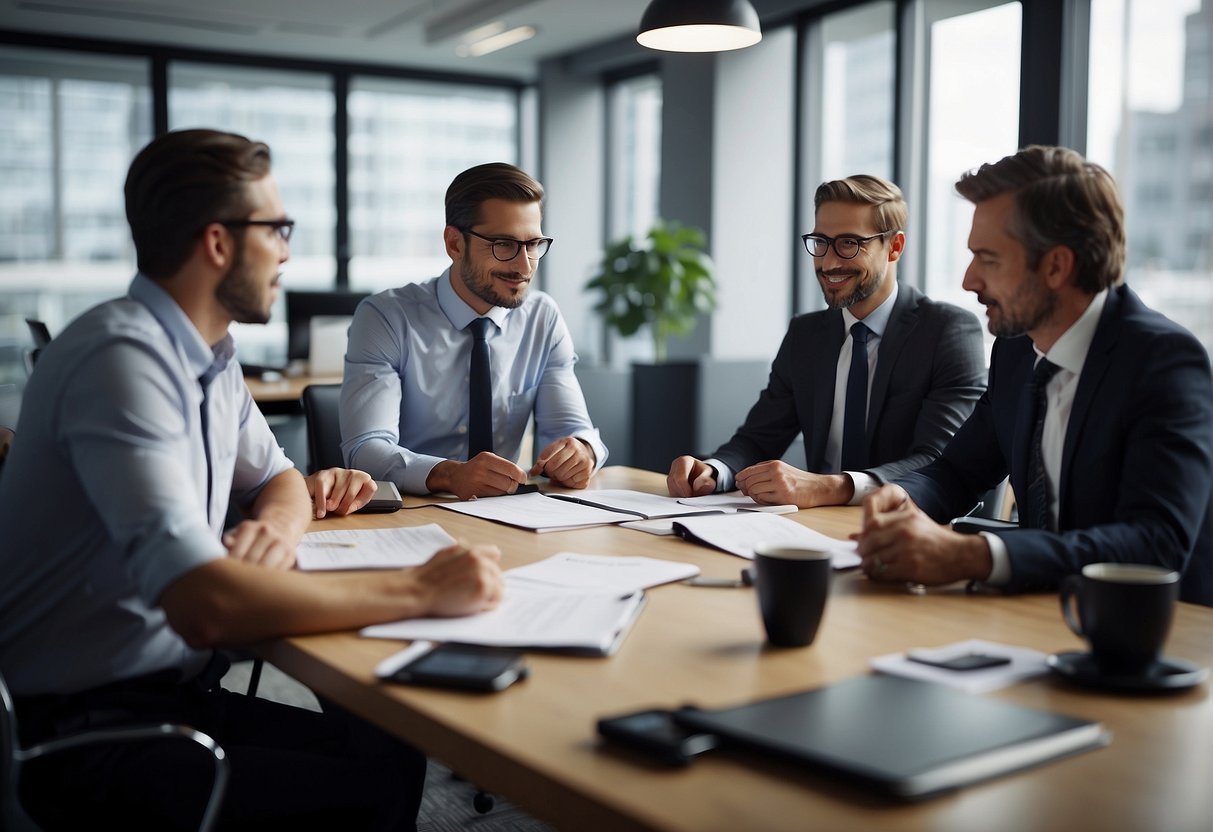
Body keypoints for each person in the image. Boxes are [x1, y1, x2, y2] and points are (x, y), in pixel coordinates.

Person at [0, 128, 505, 829]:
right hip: (87, 734)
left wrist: (274, 526)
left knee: (388, 749)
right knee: (370, 781)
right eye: (278, 228)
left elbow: (283, 479)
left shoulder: (208, 354)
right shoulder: (121, 360)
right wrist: (422, 587)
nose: (287, 252)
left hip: (166, 692)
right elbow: (203, 607)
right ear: (217, 242)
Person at [857, 145, 1213, 606]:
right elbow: (956, 472)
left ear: (1056, 266)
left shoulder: (1162, 362)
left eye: (988, 258)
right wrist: (900, 501)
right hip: (1040, 614)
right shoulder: (1016, 348)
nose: (969, 280)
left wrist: (976, 556)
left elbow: (1154, 545)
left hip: (1146, 634)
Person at [668, 175, 986, 509]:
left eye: (849, 243)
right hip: (814, 526)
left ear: (894, 247)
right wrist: (715, 471)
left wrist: (831, 487)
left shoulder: (947, 331)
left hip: (908, 529)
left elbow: (938, 462)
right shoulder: (806, 335)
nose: (829, 262)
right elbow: (758, 438)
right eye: (821, 241)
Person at [339, 162, 607, 501]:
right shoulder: (386, 317)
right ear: (455, 244)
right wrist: (451, 475)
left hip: (504, 516)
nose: (524, 266)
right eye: (504, 245)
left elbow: (571, 430)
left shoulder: (542, 317)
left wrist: (582, 452)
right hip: (411, 513)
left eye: (533, 244)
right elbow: (365, 450)